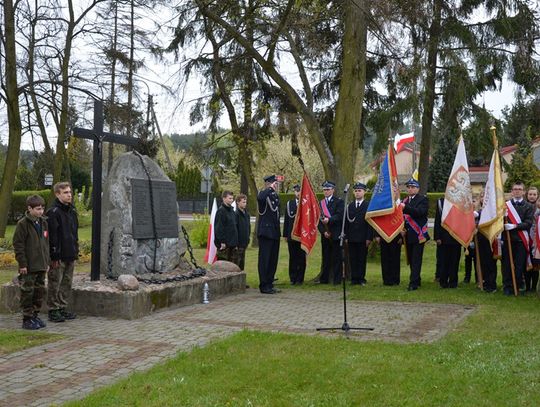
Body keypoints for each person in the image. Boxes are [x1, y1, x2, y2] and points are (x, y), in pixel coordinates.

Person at [13, 195, 50, 330]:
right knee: (27, 292)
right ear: (30, 208)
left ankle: (35, 315)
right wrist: (22, 263)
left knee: (39, 291)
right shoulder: (22, 224)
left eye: (42, 208)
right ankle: (27, 318)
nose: (41, 211)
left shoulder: (43, 222)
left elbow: (46, 243)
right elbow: (18, 245)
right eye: (38, 209)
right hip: (29, 266)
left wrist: (47, 261)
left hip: (41, 264)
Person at [47, 182, 79, 322]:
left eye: (69, 192)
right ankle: (53, 310)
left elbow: (74, 233)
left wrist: (75, 250)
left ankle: (62, 307)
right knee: (55, 282)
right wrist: (54, 255)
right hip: (58, 255)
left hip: (70, 252)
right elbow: (52, 236)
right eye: (65, 192)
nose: (69, 195)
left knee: (67, 282)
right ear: (57, 194)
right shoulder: (53, 212)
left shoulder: (72, 211)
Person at [502, 181, 534, 296]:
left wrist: (515, 226)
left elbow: (528, 223)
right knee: (506, 264)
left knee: (519, 265)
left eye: (519, 189)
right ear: (511, 191)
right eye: (515, 189)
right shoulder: (505, 205)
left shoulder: (529, 206)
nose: (517, 191)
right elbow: (499, 222)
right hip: (508, 240)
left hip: (521, 240)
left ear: (524, 192)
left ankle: (517, 285)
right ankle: (507, 286)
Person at [401, 178, 429, 291]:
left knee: (416, 259)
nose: (410, 189)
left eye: (413, 187)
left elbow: (419, 212)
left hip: (419, 235)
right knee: (411, 259)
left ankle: (413, 283)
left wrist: (405, 208)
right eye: (408, 187)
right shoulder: (405, 201)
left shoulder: (423, 200)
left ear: (418, 189)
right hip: (407, 234)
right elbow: (402, 218)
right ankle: (417, 279)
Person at [257, 175, 281, 294]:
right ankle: (264, 284)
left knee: (273, 259)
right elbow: (261, 198)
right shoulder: (264, 194)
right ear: (267, 183)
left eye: (276, 184)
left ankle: (270, 283)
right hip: (266, 232)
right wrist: (269, 188)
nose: (275, 186)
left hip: (275, 232)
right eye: (273, 183)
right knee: (265, 260)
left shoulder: (275, 197)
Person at [344, 182, 372, 285]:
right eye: (355, 191)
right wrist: (346, 236)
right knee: (353, 258)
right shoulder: (350, 206)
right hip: (351, 237)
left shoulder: (368, 205)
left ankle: (361, 278)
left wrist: (369, 237)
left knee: (361, 258)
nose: (357, 193)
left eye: (359, 191)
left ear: (364, 192)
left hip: (363, 237)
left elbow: (370, 223)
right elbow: (346, 222)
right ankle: (354, 278)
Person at [318, 181, 345, 285]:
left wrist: (329, 220)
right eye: (324, 190)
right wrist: (323, 231)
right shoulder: (321, 203)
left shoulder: (339, 202)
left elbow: (339, 216)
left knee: (336, 258)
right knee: (326, 257)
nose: (326, 191)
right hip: (325, 235)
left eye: (328, 189)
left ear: (333, 190)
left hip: (335, 234)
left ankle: (337, 280)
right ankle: (324, 279)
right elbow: (318, 220)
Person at [434, 197, 461, 288]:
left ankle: (453, 282)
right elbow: (437, 220)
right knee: (443, 261)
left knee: (454, 261)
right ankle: (443, 282)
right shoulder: (441, 202)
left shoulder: (460, 201)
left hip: (456, 237)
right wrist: (437, 237)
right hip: (443, 238)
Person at [283, 184, 306, 285]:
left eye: (300, 191)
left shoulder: (306, 204)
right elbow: (287, 220)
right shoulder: (289, 204)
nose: (298, 193)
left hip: (302, 236)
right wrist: (285, 235)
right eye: (296, 191)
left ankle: (300, 278)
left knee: (301, 257)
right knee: (293, 257)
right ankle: (292, 278)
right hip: (291, 236)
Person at [214, 190, 238, 263]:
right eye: (229, 198)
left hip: (232, 244)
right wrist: (222, 241)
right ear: (224, 198)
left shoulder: (232, 211)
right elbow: (219, 228)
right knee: (223, 266)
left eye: (232, 198)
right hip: (224, 245)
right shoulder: (221, 211)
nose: (231, 200)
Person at [525, 186, 539, 293]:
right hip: (525, 237)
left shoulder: (538, 210)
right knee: (526, 262)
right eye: (530, 194)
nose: (532, 196)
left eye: (534, 194)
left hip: (536, 239)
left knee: (535, 264)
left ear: (537, 196)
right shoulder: (524, 207)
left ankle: (533, 288)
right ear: (527, 195)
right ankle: (527, 287)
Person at [235, 193, 250, 271]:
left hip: (244, 242)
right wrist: (236, 243)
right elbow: (235, 229)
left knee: (242, 262)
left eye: (245, 202)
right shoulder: (236, 214)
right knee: (237, 262)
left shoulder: (246, 214)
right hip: (238, 243)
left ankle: (241, 279)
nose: (245, 204)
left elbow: (248, 227)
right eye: (243, 202)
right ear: (238, 202)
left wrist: (248, 238)